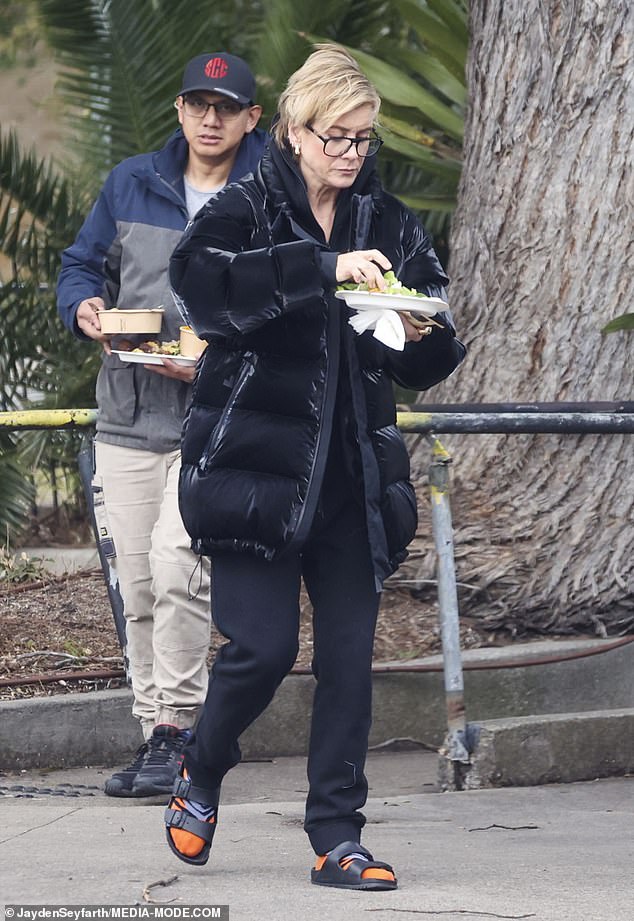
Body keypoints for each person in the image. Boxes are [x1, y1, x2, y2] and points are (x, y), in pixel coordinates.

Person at [163, 44, 466, 888]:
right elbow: (200, 286)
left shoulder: (392, 221)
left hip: (353, 481)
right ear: (294, 130)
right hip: (253, 477)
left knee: (348, 661)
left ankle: (338, 836)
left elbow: (434, 349)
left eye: (363, 139)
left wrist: (420, 332)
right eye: (336, 135)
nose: (351, 153)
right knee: (259, 651)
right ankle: (202, 765)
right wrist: (321, 268)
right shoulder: (245, 207)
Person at [56, 52, 266, 798]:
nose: (211, 119)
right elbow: (80, 267)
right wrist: (81, 306)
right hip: (127, 417)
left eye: (226, 107)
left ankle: (180, 730)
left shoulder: (271, 194)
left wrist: (215, 357)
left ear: (252, 118)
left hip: (220, 422)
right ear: (179, 111)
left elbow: (292, 303)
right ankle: (157, 739)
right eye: (198, 104)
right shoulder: (130, 182)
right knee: (137, 584)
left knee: (180, 571)